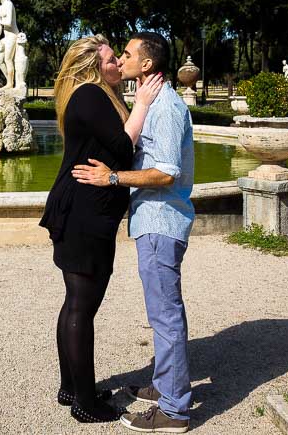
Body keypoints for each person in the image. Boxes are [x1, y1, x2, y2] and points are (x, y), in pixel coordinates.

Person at [72, 32, 194, 433]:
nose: (120, 60)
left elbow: (165, 172)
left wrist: (112, 178)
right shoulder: (152, 102)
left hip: (162, 223)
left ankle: (175, 409)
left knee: (165, 316)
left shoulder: (167, 108)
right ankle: (164, 386)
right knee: (161, 313)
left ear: (146, 65)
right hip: (151, 221)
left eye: (126, 54)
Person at [39, 35, 164, 424]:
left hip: (81, 211)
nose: (117, 65)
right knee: (82, 306)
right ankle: (85, 404)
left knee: (75, 303)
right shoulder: (91, 95)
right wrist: (142, 105)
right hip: (84, 214)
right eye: (112, 59)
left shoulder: (93, 95)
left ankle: (71, 388)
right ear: (95, 66)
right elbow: (123, 147)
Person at [0, 0, 19, 88]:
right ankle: (10, 80)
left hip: (12, 35)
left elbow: (8, 22)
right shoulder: (0, 7)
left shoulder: (9, 4)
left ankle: (10, 83)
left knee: (8, 59)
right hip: (5, 37)